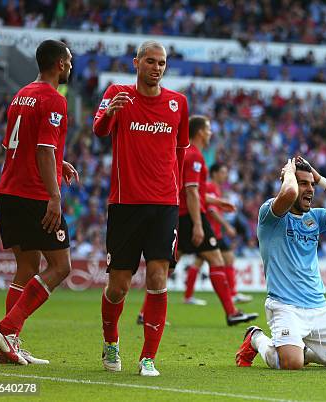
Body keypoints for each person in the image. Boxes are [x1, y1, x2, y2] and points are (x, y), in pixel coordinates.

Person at [93, 40, 189, 377]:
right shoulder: (117, 93)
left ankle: (148, 357)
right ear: (136, 62)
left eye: (162, 63)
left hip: (164, 204)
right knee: (118, 285)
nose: (157, 68)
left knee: (158, 277)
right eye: (150, 61)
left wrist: (175, 193)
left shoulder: (179, 103)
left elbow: (180, 151)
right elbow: (99, 130)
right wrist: (110, 113)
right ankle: (111, 340)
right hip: (124, 204)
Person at [0, 39, 77, 365]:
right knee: (61, 266)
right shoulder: (54, 100)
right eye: (68, 60)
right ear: (59, 64)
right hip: (33, 195)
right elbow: (41, 149)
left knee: (26, 267)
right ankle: (7, 329)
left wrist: (58, 163)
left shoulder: (21, 94)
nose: (70, 65)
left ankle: (8, 345)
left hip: (9, 191)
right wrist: (54, 195)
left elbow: (11, 141)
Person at [236, 156, 326, 370]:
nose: (310, 189)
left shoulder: (315, 218)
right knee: (290, 364)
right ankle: (256, 338)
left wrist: (321, 179)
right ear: (288, 181)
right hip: (285, 306)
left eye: (311, 184)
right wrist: (288, 172)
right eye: (303, 183)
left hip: (319, 308)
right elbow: (288, 194)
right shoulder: (270, 215)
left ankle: (306, 352)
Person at [176, 115, 258, 325]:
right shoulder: (195, 156)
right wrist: (197, 223)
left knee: (166, 266)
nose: (211, 133)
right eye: (209, 129)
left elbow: (193, 191)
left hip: (181, 214)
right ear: (201, 132)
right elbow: (192, 193)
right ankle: (231, 312)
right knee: (217, 260)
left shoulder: (188, 154)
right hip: (191, 216)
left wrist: (218, 202)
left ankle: (144, 313)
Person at [183, 163, 253, 306]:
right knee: (218, 260)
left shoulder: (216, 188)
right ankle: (231, 295)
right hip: (210, 232)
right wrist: (227, 226)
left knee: (221, 259)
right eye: (222, 172)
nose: (225, 175)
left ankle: (191, 296)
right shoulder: (209, 187)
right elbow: (212, 210)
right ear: (214, 173)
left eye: (226, 172)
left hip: (215, 233)